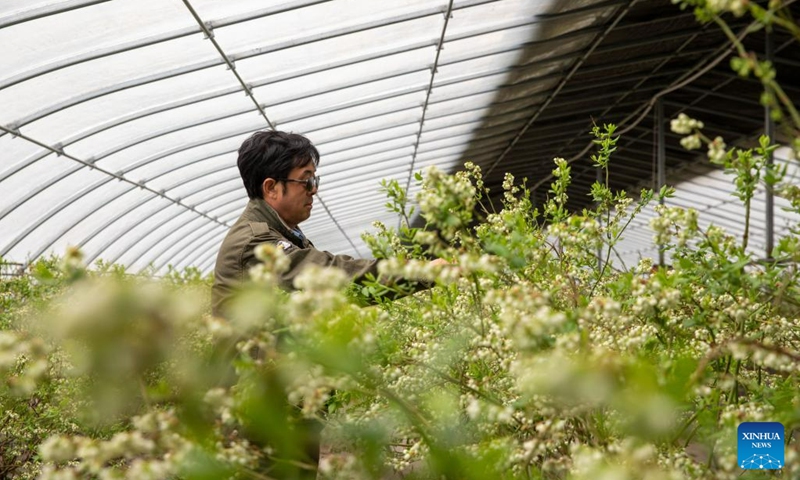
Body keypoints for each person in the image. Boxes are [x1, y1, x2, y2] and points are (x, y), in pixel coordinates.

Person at [211, 130, 444, 478]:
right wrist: (420, 271)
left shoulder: (283, 234)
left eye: (314, 179)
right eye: (306, 181)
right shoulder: (256, 242)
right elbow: (331, 276)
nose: (314, 190)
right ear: (271, 187)